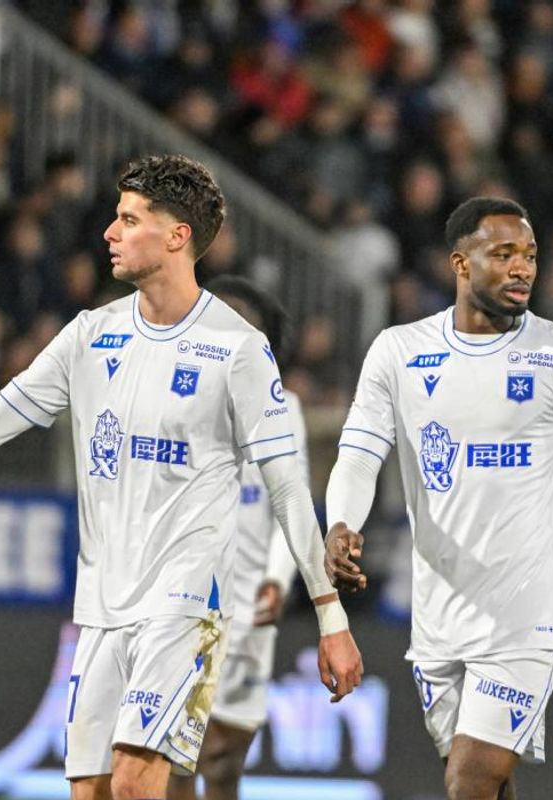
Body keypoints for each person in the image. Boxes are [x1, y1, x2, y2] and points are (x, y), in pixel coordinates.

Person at [0, 155, 362, 800]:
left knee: (136, 782)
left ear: (176, 235)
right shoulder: (90, 336)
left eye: (129, 219)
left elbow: (288, 489)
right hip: (101, 608)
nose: (109, 231)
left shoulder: (238, 349)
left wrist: (332, 620)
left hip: (184, 605)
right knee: (92, 793)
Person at [324, 196, 553, 800]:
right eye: (504, 254)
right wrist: (341, 523)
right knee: (489, 787)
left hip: (525, 614)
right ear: (461, 265)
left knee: (468, 781)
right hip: (438, 614)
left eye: (530, 255)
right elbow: (360, 455)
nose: (523, 268)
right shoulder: (399, 352)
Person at [165, 276, 305, 800]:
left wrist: (277, 576)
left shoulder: (282, 408)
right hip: (186, 603)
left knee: (224, 763)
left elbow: (290, 505)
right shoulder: (175, 401)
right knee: (177, 755)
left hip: (251, 608)